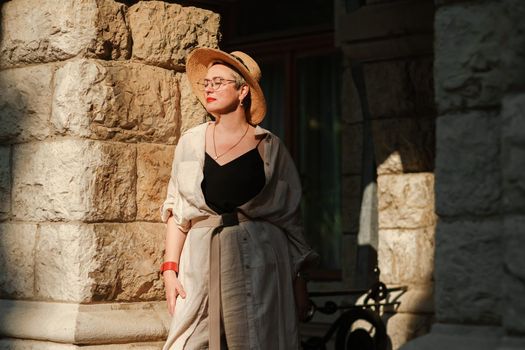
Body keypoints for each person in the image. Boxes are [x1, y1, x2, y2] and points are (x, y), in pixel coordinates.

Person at [160, 47, 319, 350]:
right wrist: (170, 270)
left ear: (243, 90)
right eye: (207, 82)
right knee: (190, 341)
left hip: (261, 259)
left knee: (259, 340)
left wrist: (299, 281)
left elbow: (290, 219)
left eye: (219, 82)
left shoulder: (270, 146)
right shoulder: (191, 142)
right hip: (201, 257)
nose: (209, 88)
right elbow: (177, 210)